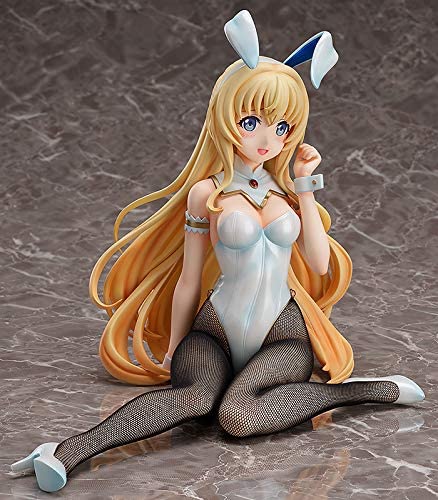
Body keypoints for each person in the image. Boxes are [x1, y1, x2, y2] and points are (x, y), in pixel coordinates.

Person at [10, 10, 425, 493]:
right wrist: (174, 345)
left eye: (283, 127)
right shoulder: (206, 193)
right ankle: (65, 451)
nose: (268, 140)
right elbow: (189, 277)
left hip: (282, 335)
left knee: (238, 417)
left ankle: (362, 392)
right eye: (252, 122)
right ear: (226, 119)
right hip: (214, 331)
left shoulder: (290, 193)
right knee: (194, 400)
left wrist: (306, 187)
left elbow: (318, 264)